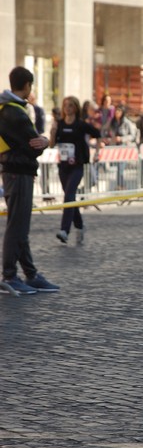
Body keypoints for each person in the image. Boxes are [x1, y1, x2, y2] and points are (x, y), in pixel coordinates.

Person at [0, 66, 59, 295]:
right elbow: (34, 145)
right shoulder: (15, 112)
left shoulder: (7, 108)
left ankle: (31, 274)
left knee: (20, 224)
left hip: (13, 170)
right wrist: (44, 140)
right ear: (27, 86)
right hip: (19, 171)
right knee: (18, 225)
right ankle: (10, 275)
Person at [50, 96, 101, 245]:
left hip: (77, 165)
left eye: (71, 105)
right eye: (65, 105)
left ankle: (64, 230)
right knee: (69, 197)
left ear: (76, 108)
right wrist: (52, 132)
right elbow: (52, 145)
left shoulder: (81, 125)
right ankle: (80, 226)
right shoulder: (59, 124)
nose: (68, 108)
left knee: (69, 195)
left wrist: (97, 153)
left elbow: (97, 134)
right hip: (63, 166)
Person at [108, 104, 138, 188]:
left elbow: (132, 136)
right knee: (117, 168)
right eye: (116, 110)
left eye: (119, 111)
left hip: (124, 149)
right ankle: (120, 185)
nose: (117, 112)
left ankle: (121, 185)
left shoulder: (126, 122)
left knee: (121, 168)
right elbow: (105, 130)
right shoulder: (112, 122)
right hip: (115, 149)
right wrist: (109, 138)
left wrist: (121, 139)